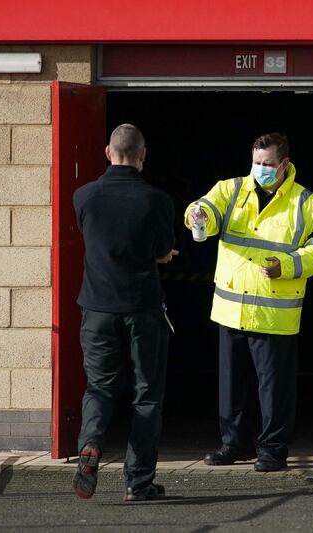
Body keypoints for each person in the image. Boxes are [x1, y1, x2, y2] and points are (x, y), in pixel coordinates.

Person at [185, 132, 313, 472]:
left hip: (273, 311)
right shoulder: (231, 189)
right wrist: (197, 216)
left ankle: (273, 449)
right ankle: (232, 445)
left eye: (267, 164)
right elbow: (205, 209)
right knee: (231, 383)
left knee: (273, 387)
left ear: (284, 165)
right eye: (255, 162)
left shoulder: (308, 204)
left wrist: (287, 266)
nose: (259, 169)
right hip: (231, 308)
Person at [72, 123, 178, 502]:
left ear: (107, 152)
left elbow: (95, 238)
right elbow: (161, 249)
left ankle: (91, 444)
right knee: (147, 395)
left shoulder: (84, 196)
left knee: (100, 387)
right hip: (143, 309)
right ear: (142, 155)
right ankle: (138, 482)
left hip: (98, 308)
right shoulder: (157, 200)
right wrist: (161, 255)